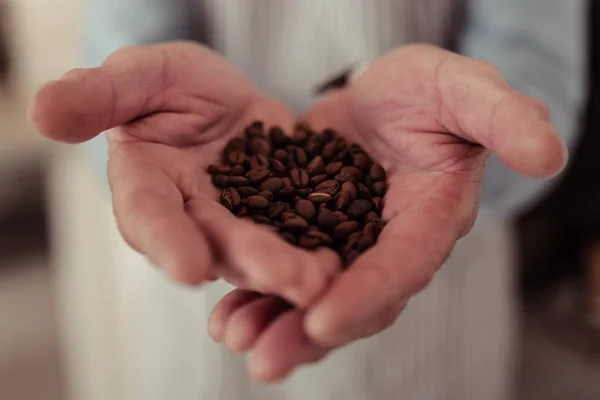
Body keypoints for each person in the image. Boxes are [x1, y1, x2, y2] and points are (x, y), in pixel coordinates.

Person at [31, 0, 585, 399]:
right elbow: (126, 55)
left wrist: (471, 138)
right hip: (198, 242)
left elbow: (535, 75)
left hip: (430, 242)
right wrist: (145, 114)